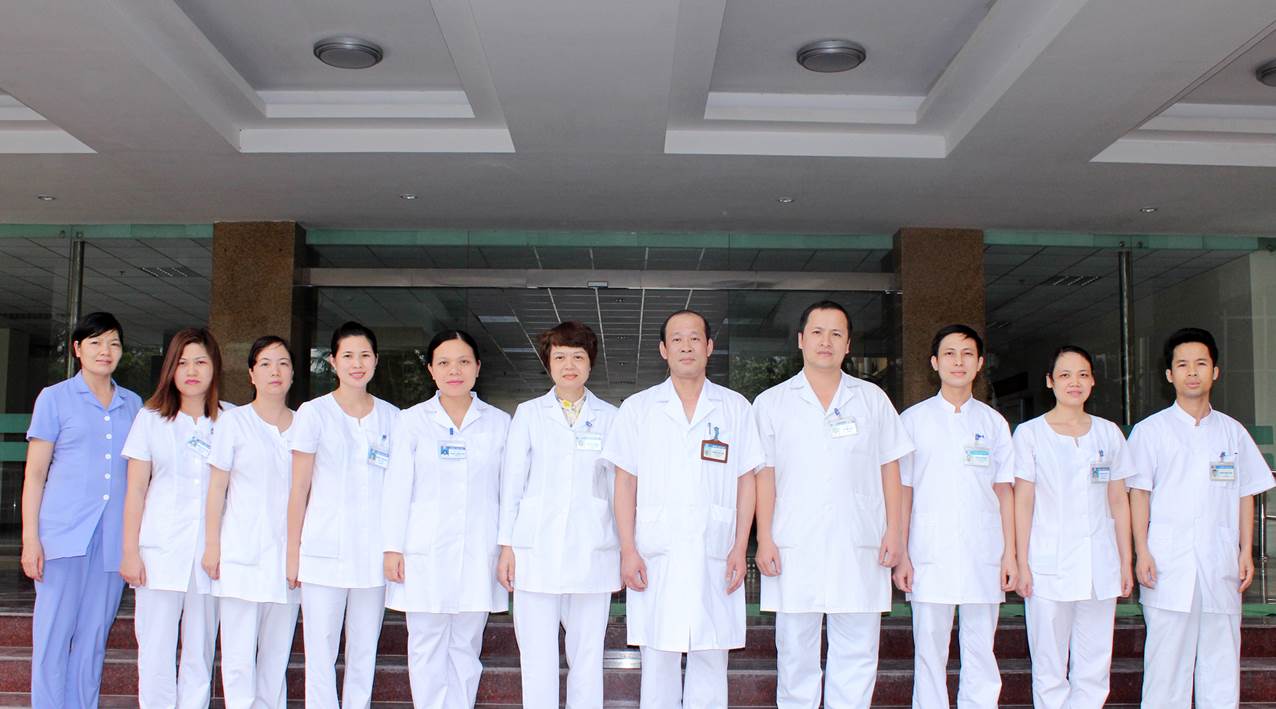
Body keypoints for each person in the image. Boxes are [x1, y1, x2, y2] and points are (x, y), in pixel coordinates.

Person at [753, 301, 912, 709]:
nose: (826, 341)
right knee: (795, 654)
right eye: (818, 332)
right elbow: (764, 477)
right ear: (801, 340)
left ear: (848, 345)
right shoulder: (772, 402)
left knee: (857, 654)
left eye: (836, 334)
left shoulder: (872, 399)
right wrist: (764, 539)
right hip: (794, 542)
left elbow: (890, 470)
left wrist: (895, 532)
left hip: (859, 541)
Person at [602, 309, 763, 709]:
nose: (686, 346)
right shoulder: (639, 408)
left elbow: (747, 480)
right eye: (677, 339)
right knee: (658, 658)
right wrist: (627, 549)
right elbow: (625, 483)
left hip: (716, 551)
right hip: (657, 553)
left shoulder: (735, 407)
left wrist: (740, 546)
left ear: (709, 347)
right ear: (663, 350)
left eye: (695, 338)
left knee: (711, 657)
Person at [1128, 327, 1274, 708]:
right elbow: (1139, 494)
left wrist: (1246, 550)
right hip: (1166, 563)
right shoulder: (1150, 431)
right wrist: (1141, 551)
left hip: (1218, 562)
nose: (1192, 372)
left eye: (1200, 364)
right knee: (1166, 670)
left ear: (1215, 371)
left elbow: (1246, 492)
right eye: (1182, 365)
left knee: (1220, 665)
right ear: (1169, 375)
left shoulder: (1233, 432)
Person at [382, 330, 510, 709]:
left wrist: (506, 547)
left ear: (478, 368)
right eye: (444, 363)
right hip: (423, 551)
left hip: (478, 549)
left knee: (466, 646)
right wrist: (392, 547)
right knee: (425, 645)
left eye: (463, 362)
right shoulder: (411, 421)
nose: (454, 370)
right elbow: (396, 488)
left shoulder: (500, 422)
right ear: (431, 371)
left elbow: (508, 492)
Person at [22, 311, 143, 709]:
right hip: (61, 538)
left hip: (111, 542)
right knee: (53, 639)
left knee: (93, 640)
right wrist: (30, 541)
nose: (105, 351)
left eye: (113, 343)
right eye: (95, 343)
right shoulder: (54, 398)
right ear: (77, 349)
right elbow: (35, 475)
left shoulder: (133, 404)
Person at [497, 321, 621, 709]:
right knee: (537, 658)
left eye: (578, 357)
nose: (569, 365)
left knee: (587, 657)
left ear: (590, 364)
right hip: (536, 552)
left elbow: (619, 489)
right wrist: (506, 546)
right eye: (561, 356)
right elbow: (511, 484)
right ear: (547, 362)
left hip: (593, 550)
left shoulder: (612, 416)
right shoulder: (529, 414)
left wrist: (624, 548)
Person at [893, 324, 1016, 709]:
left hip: (983, 550)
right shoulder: (912, 421)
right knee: (929, 650)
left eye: (967, 354)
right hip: (929, 551)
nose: (958, 361)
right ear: (934, 363)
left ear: (979, 363)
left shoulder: (993, 423)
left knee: (981, 648)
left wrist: (1010, 553)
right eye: (949, 353)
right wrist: (902, 553)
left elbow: (1004, 490)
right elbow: (903, 491)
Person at [1012, 345, 1134, 709]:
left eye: (1082, 374)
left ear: (1093, 381)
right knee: (1050, 664)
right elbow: (1023, 501)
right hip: (1047, 564)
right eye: (1064, 375)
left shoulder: (1108, 434)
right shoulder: (1030, 434)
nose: (1074, 382)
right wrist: (1020, 562)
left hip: (1100, 563)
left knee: (1095, 663)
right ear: (1050, 382)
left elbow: (1118, 501)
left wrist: (1126, 560)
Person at [287, 322, 399, 709]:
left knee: (363, 652)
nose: (357, 363)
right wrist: (292, 554)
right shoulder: (313, 413)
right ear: (333, 361)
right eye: (348, 355)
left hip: (372, 555)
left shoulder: (392, 418)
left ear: (376, 361)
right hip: (323, 554)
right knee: (320, 652)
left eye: (365, 355)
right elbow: (298, 489)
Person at [120, 328, 228, 708]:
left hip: (211, 556)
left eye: (200, 361)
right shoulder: (150, 419)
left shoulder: (229, 420)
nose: (192, 371)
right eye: (182, 362)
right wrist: (129, 552)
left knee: (200, 652)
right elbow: (135, 491)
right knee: (155, 651)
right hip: (159, 552)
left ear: (215, 368)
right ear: (170, 369)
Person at [202, 336, 300, 709]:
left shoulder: (306, 423)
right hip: (241, 553)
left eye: (283, 363)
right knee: (239, 656)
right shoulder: (234, 423)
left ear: (293, 373)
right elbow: (217, 490)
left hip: (288, 558)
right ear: (251, 374)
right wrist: (213, 546)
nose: (275, 371)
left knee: (276, 656)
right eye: (265, 363)